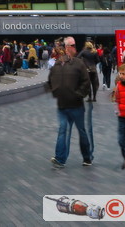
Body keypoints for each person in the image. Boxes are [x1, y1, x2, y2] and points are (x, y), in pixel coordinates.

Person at [48, 37, 93, 168]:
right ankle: (60, 158)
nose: (74, 48)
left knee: (81, 131)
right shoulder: (57, 64)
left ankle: (87, 157)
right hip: (63, 105)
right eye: (71, 45)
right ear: (66, 48)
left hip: (76, 105)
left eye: (74, 45)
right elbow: (51, 80)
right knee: (63, 130)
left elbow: (86, 82)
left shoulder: (79, 63)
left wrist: (77, 95)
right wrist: (56, 92)